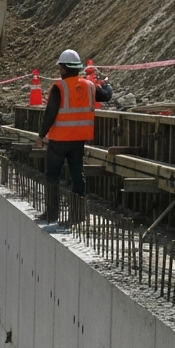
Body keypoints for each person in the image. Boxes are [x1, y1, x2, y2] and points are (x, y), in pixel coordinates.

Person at [36, 49, 113, 224]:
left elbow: (50, 113)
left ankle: (52, 213)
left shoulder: (59, 88)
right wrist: (106, 83)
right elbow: (107, 95)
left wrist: (41, 135)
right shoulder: (90, 86)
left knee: (52, 176)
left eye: (60, 67)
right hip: (78, 140)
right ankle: (77, 216)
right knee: (77, 176)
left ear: (64, 68)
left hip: (58, 141)